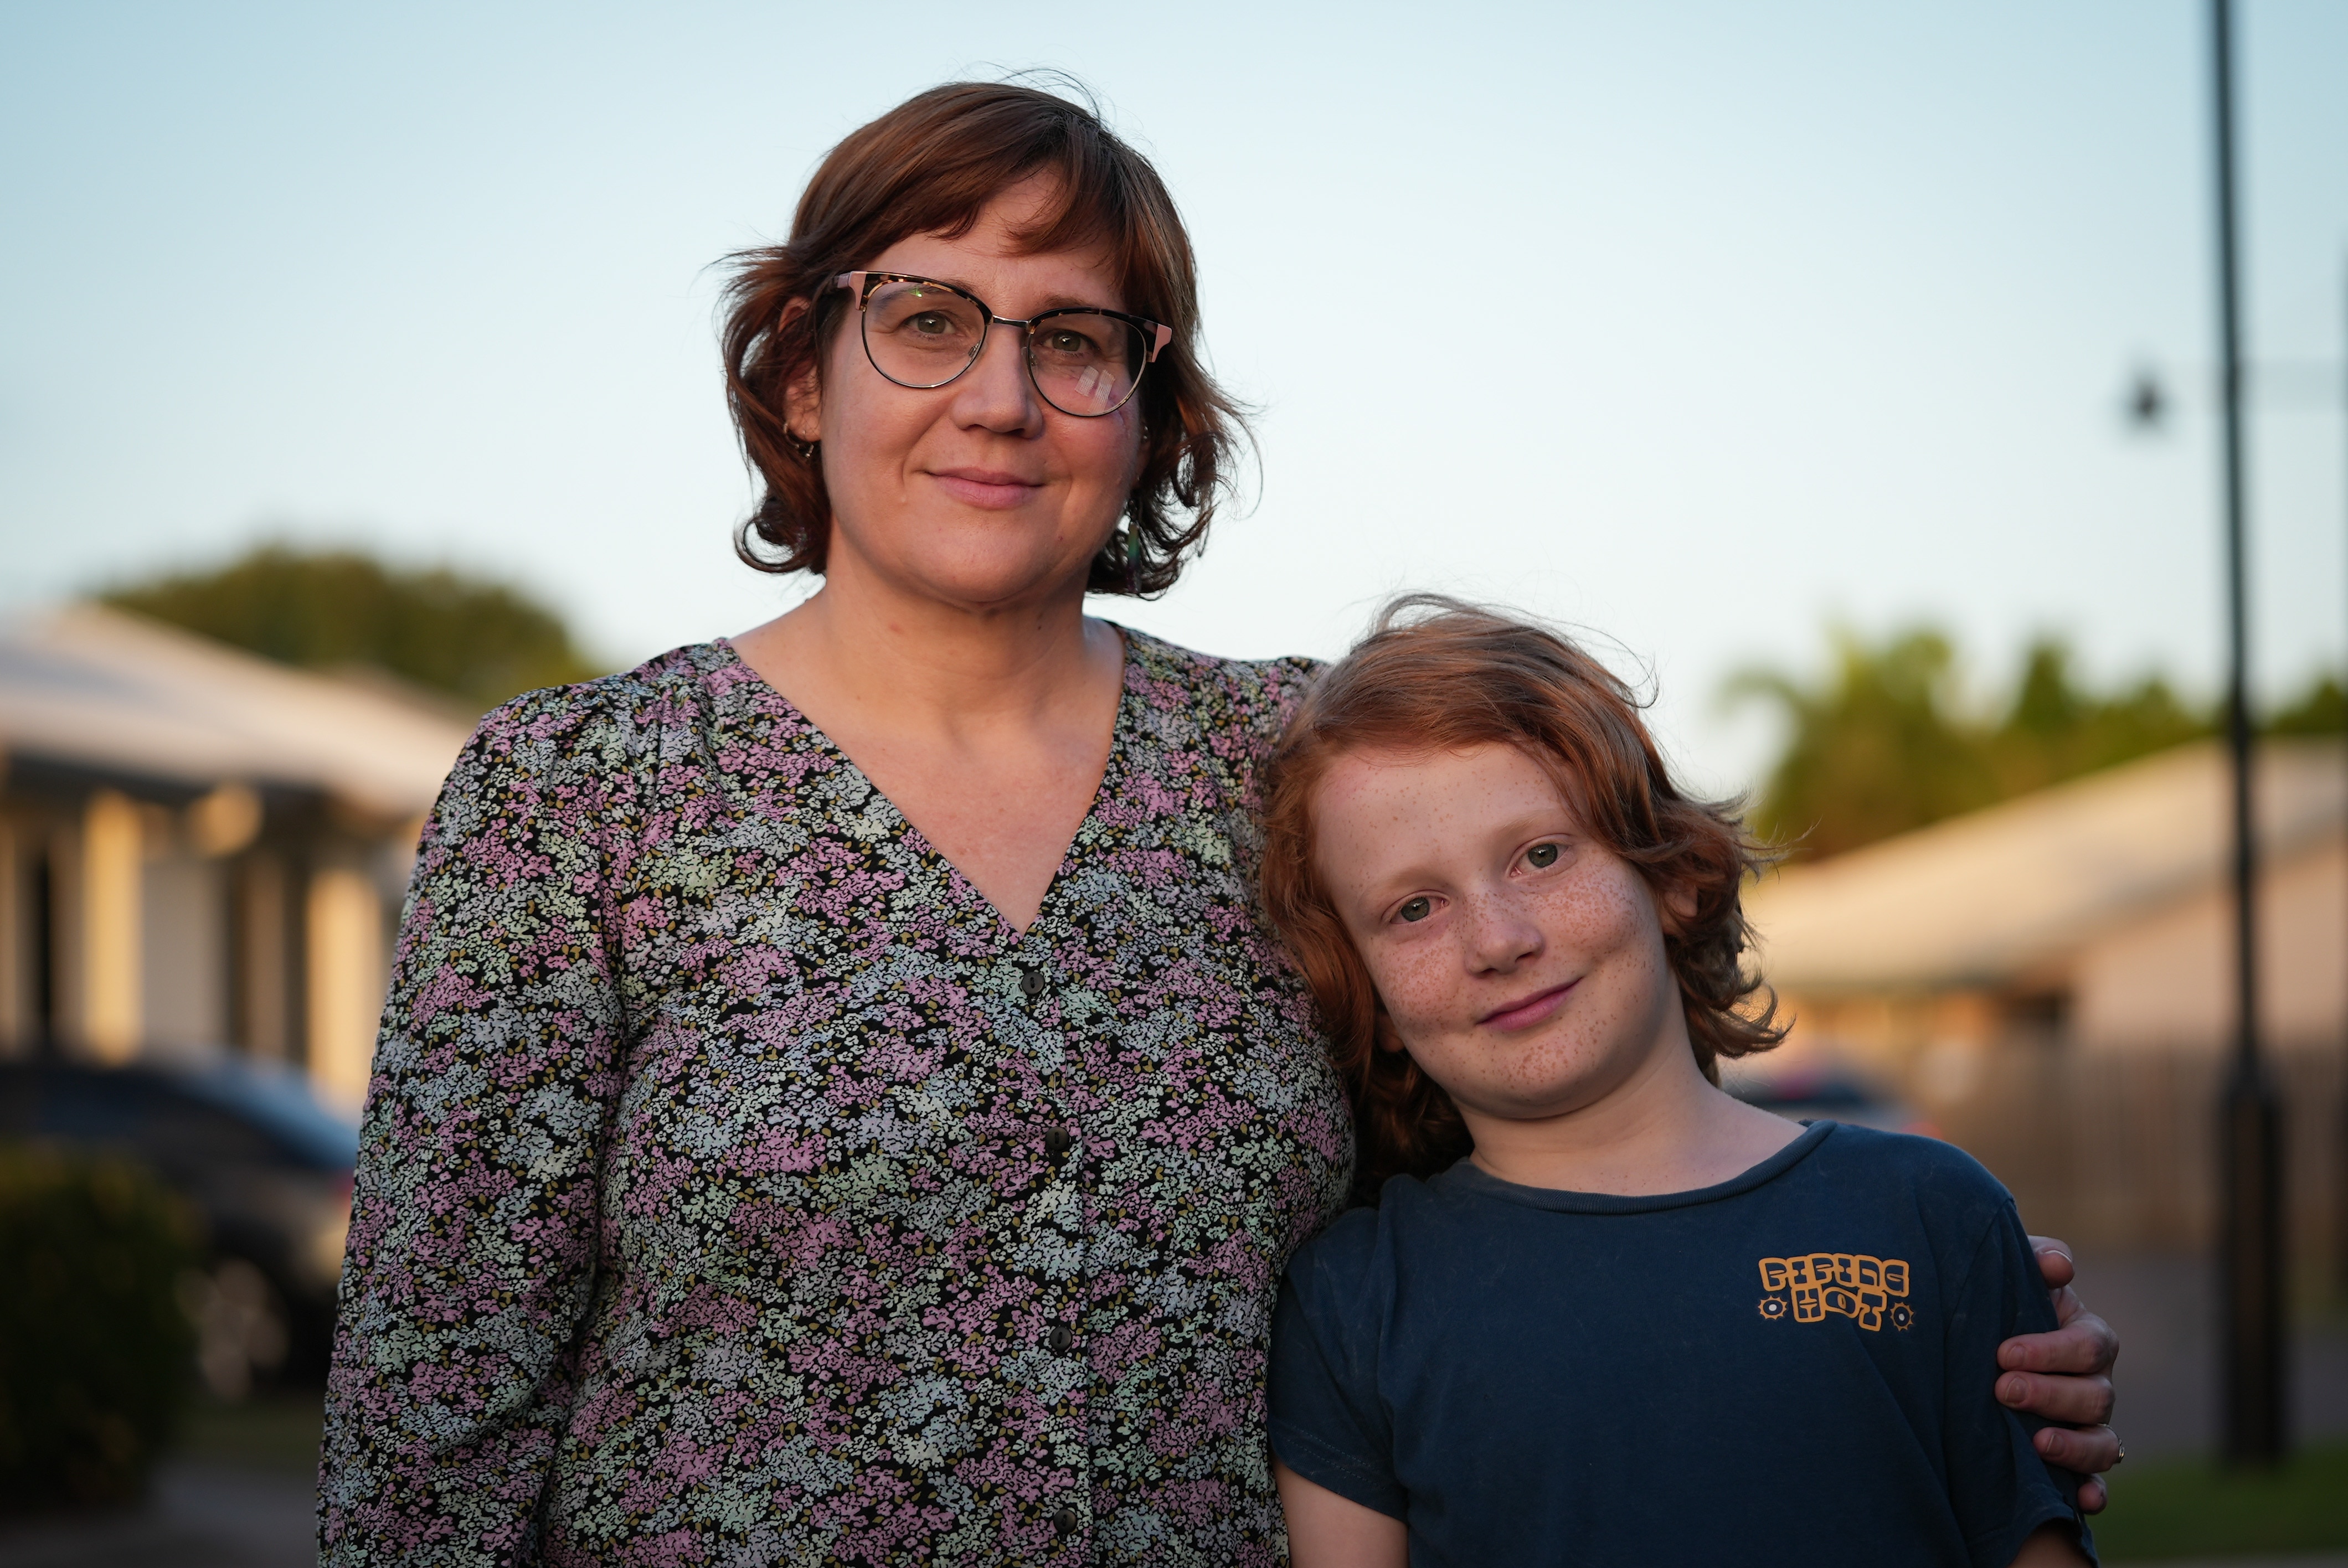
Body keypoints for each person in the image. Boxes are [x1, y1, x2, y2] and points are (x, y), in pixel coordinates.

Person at [317, 82, 2120, 1567]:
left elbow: (1550, 1160)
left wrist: (1917, 1321)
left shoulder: (1294, 763)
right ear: (803, 372)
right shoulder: (575, 795)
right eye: (927, 318)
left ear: (1145, 408)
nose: (1002, 396)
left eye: (1074, 339)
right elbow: (437, 1398)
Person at [1258, 600, 2097, 1568]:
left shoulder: (1933, 1218)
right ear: (1366, 993)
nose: (1498, 939)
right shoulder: (1349, 1303)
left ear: (1670, 874)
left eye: (1542, 854)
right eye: (1413, 909)